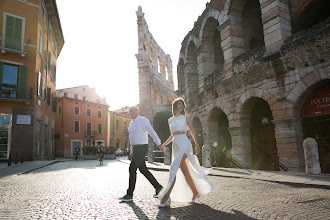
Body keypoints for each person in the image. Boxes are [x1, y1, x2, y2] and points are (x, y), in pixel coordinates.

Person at [157, 97, 214, 207]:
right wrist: (164, 144)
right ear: (175, 106)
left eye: (182, 104)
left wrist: (197, 145)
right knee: (185, 172)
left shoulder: (186, 118)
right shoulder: (170, 120)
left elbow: (192, 131)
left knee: (173, 168)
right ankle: (195, 192)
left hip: (185, 144)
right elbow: (172, 135)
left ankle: (166, 197)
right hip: (176, 145)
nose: (182, 105)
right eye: (179, 104)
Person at [119, 106, 163, 202]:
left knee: (132, 168)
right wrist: (131, 151)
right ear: (129, 113)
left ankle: (129, 194)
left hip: (142, 147)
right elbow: (132, 139)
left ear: (138, 111)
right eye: (131, 111)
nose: (132, 112)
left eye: (134, 110)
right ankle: (158, 187)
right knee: (143, 169)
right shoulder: (130, 124)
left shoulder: (143, 120)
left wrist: (159, 143)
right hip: (135, 148)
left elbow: (152, 132)